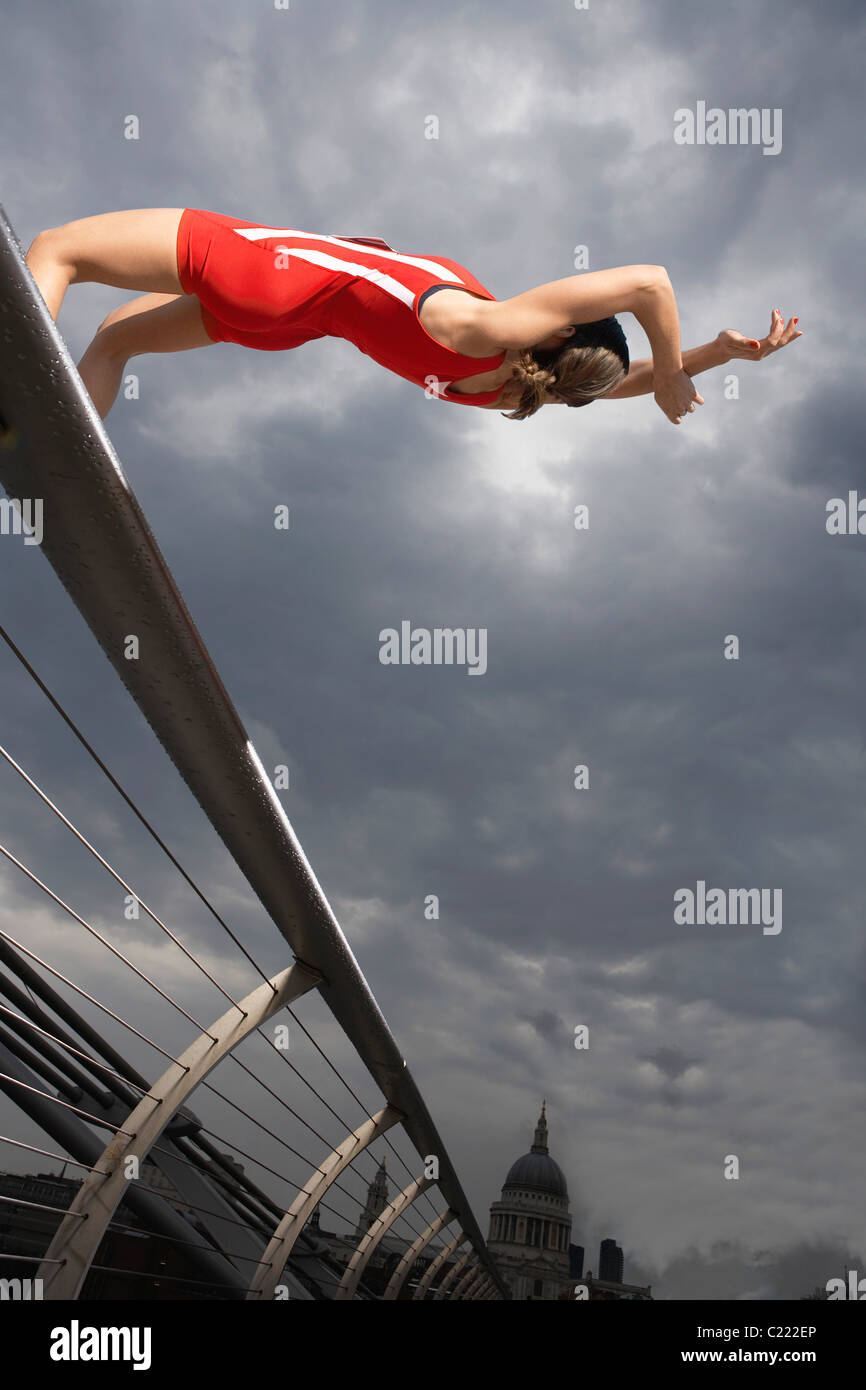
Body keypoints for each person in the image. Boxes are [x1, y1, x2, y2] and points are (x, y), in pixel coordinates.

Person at [24, 207, 802, 424]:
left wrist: (670, 369)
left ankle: (8, 396)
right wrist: (714, 356)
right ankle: (57, 455)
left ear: (563, 328)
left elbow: (650, 283)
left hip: (270, 272)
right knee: (116, 339)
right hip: (281, 324)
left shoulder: (491, 329)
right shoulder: (502, 385)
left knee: (59, 250)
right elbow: (609, 383)